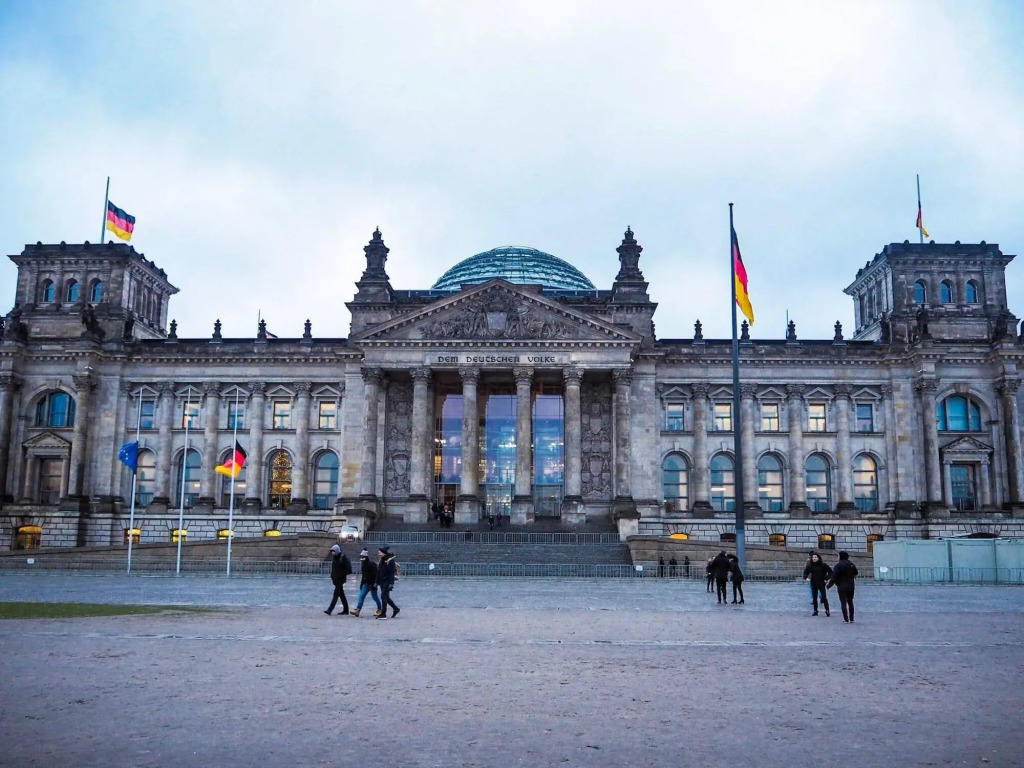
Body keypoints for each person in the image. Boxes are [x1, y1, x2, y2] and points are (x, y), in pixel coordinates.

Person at [828, 551, 859, 623]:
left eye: (838, 556)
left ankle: (846, 618)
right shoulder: (851, 564)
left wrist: (829, 585)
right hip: (851, 586)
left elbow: (834, 577)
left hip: (841, 586)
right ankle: (852, 618)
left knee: (843, 602)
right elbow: (856, 572)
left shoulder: (838, 565)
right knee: (850, 602)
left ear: (841, 556)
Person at [350, 548, 381, 618]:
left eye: (363, 557)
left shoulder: (372, 564)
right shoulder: (364, 565)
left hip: (372, 584)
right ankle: (358, 610)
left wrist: (375, 583)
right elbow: (364, 575)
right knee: (361, 596)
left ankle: (379, 609)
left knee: (375, 597)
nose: (361, 559)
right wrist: (361, 584)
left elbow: (376, 574)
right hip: (366, 584)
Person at [324, 544, 351, 616]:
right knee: (342, 595)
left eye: (334, 551)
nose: (332, 552)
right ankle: (346, 610)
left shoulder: (342, 557)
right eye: (332, 551)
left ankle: (330, 610)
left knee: (335, 595)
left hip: (340, 579)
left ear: (337, 551)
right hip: (336, 579)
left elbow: (347, 569)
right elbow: (334, 569)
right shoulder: (335, 558)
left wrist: (341, 575)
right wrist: (332, 576)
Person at [803, 552, 833, 616]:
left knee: (824, 597)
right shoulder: (810, 566)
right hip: (813, 583)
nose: (814, 558)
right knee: (814, 598)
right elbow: (805, 573)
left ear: (818, 558)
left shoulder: (823, 565)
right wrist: (806, 578)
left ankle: (827, 610)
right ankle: (815, 611)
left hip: (821, 583)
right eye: (813, 557)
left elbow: (830, 572)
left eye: (815, 557)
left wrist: (827, 578)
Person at [375, 546, 400, 619]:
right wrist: (376, 582)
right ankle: (396, 609)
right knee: (386, 597)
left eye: (380, 552)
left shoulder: (390, 561)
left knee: (383, 596)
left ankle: (383, 614)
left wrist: (391, 583)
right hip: (382, 581)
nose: (378, 553)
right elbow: (379, 572)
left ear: (384, 553)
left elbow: (391, 573)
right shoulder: (381, 560)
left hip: (387, 581)